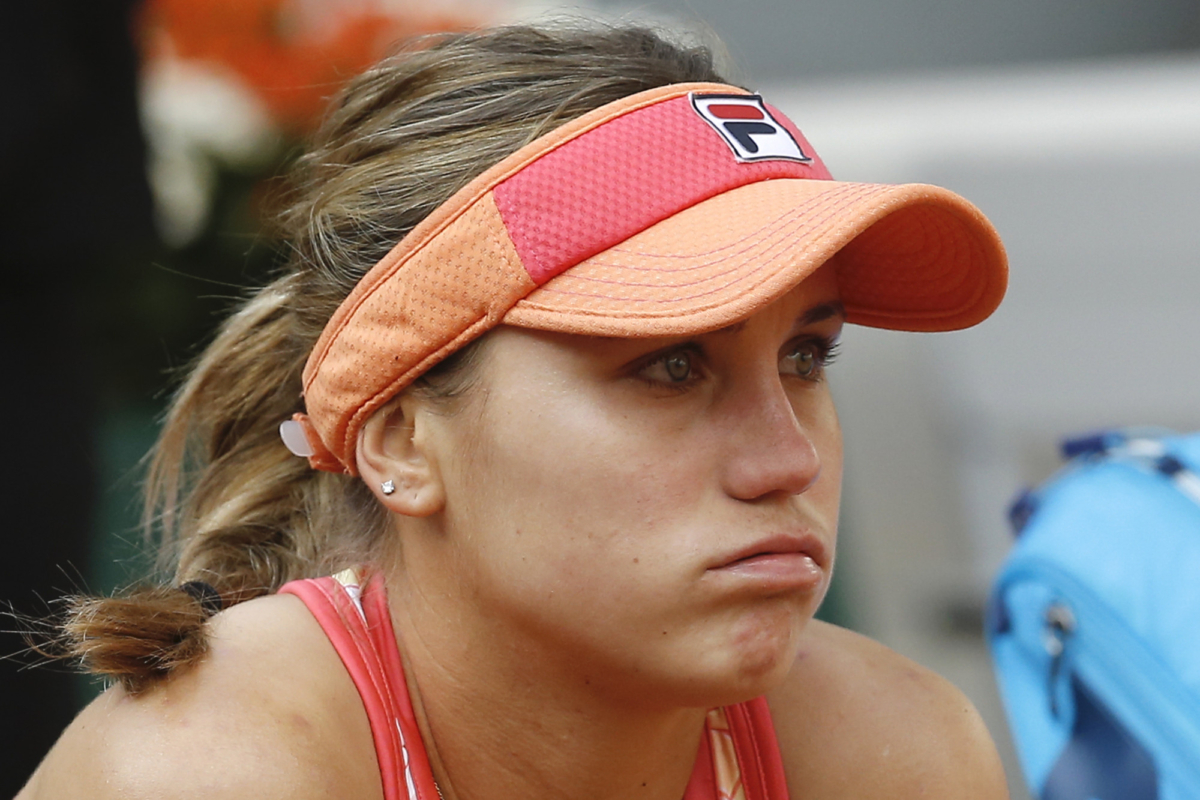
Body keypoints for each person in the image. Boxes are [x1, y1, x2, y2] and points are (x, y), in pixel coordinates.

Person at [18, 23, 1011, 800]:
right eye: (670, 366)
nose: (789, 460)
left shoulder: (893, 745)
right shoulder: (211, 769)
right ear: (400, 439)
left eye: (806, 356)